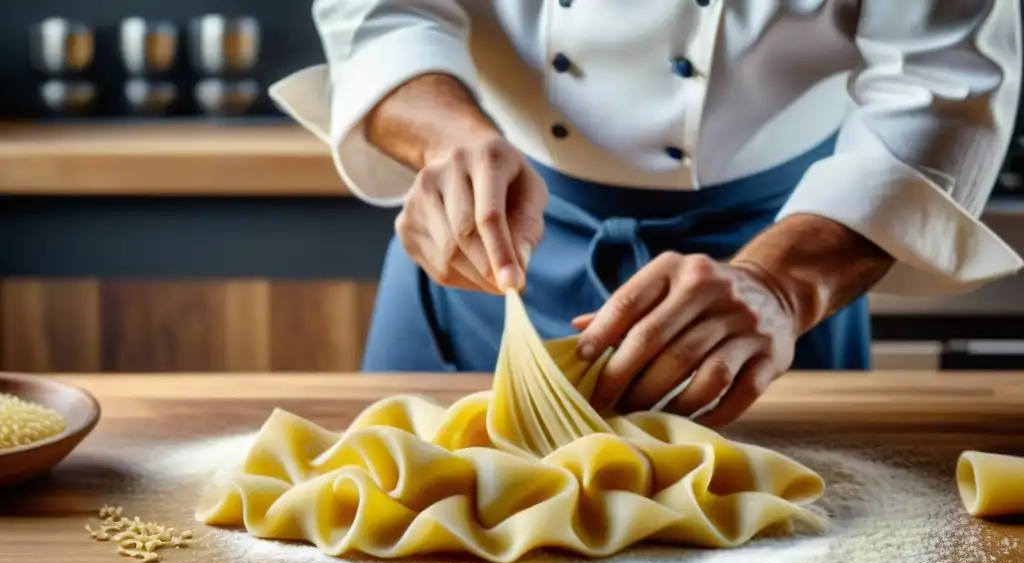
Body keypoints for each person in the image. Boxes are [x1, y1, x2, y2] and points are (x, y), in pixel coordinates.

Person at [272, 0, 1023, 425]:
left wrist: (779, 285)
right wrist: (447, 140)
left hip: (770, 256)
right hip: (483, 230)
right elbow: (382, 13)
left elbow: (941, 80)